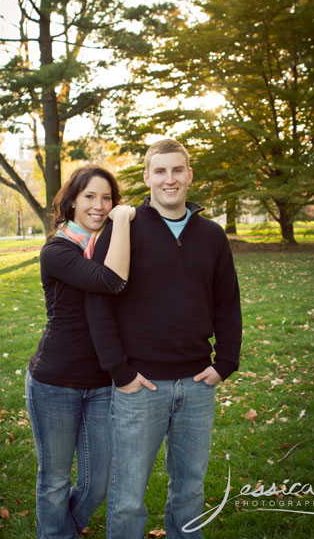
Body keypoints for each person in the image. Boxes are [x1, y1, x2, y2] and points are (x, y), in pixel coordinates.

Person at [85, 139, 242, 539]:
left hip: (196, 384)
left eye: (177, 170)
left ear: (189, 174)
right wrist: (119, 372)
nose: (168, 179)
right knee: (127, 497)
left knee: (190, 490)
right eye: (160, 171)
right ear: (147, 177)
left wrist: (225, 362)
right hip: (141, 385)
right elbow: (99, 304)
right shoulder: (123, 229)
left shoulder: (212, 235)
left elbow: (227, 303)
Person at [25, 165, 135, 539]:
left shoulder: (108, 247)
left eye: (108, 198)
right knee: (55, 480)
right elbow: (111, 281)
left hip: (102, 381)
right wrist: (122, 221)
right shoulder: (57, 250)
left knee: (98, 482)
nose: (99, 206)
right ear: (72, 200)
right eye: (90, 196)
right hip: (55, 381)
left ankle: (58, 527)